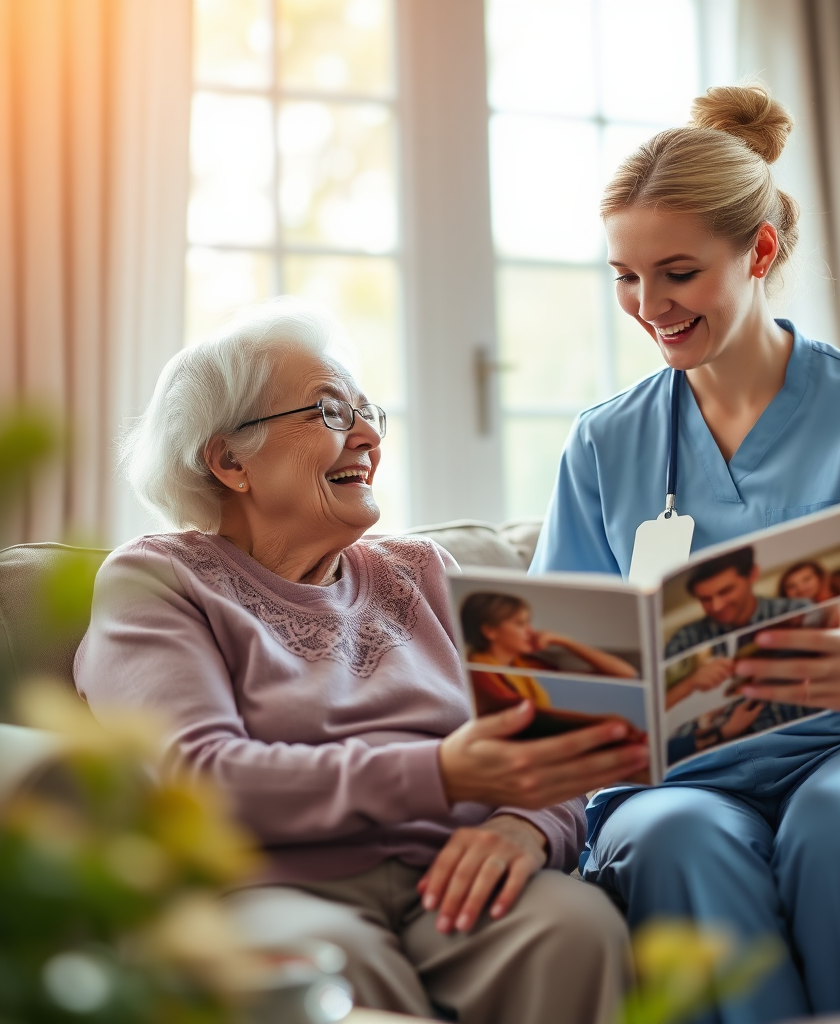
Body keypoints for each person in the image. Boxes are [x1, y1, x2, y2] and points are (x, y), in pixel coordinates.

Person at [530, 84, 840, 1022]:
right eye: (625, 275)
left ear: (760, 251)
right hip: (683, 779)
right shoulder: (604, 442)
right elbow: (561, 670)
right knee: (670, 840)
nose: (648, 305)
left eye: (677, 273)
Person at [75, 301, 647, 1024]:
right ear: (230, 460)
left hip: (453, 872)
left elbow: (545, 744)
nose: (371, 436)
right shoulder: (158, 580)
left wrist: (525, 827)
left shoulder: (425, 570)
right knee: (328, 966)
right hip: (272, 889)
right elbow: (199, 776)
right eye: (331, 412)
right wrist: (439, 773)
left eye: (369, 412)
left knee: (573, 928)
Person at [459, 591, 645, 745]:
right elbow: (529, 714)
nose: (531, 632)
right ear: (489, 631)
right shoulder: (478, 669)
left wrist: (566, 641)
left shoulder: (525, 666)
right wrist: (604, 721)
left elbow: (627, 675)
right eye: (520, 624)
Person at [665, 546, 809, 656]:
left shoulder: (798, 612)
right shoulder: (686, 638)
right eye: (705, 599)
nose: (717, 607)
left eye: (725, 591)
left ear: (752, 574)